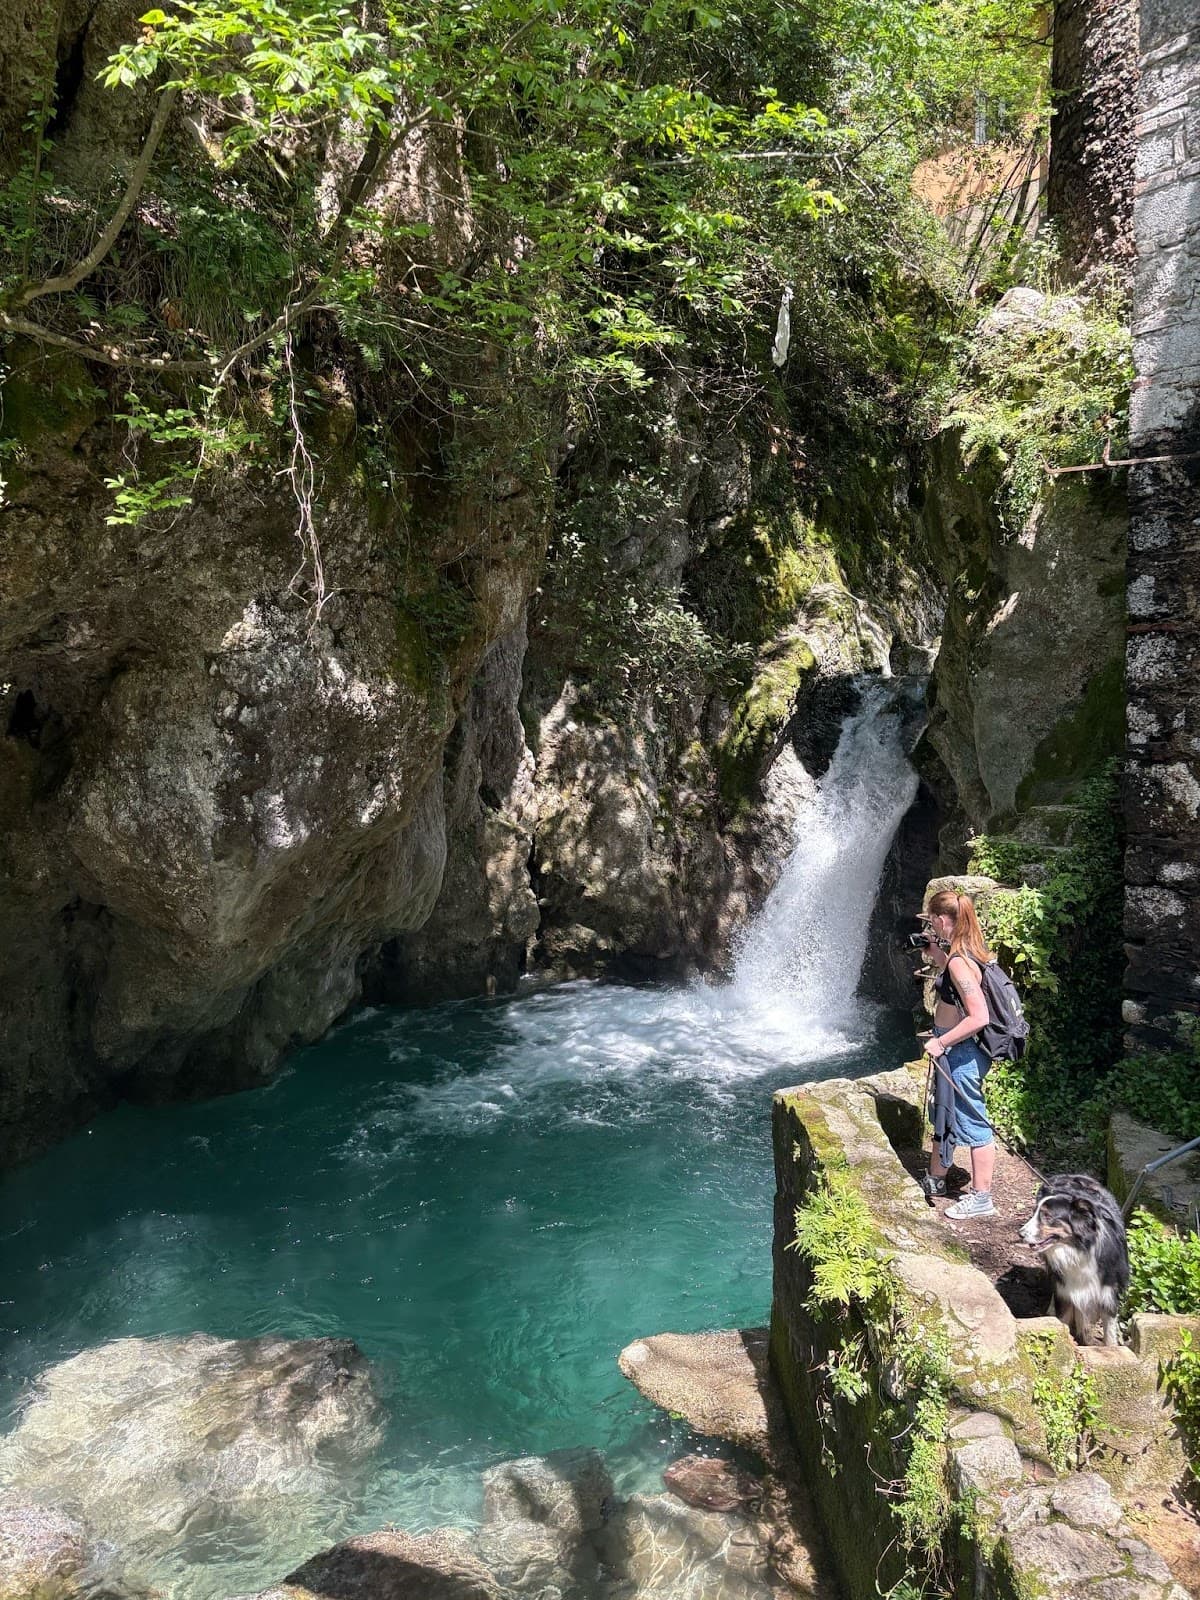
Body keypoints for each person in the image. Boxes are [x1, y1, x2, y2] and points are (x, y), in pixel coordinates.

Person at [919, 889, 997, 1219]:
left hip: (961, 1049)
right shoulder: (962, 952)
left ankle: (982, 1197)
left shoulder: (960, 963)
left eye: (932, 921)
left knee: (972, 1119)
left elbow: (980, 1017)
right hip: (954, 1046)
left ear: (940, 919)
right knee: (946, 1112)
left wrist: (942, 1041)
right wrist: (937, 956)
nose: (931, 927)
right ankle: (937, 1178)